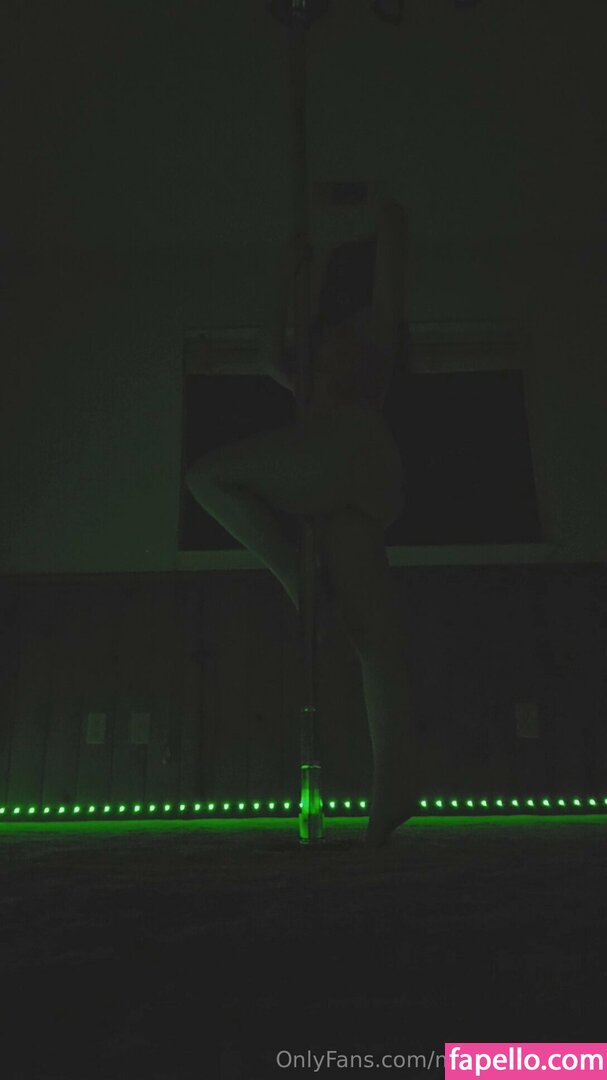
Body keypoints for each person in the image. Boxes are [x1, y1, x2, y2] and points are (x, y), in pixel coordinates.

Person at [184, 198, 416, 847]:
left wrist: (377, 214)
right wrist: (285, 273)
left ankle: (293, 574)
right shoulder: (315, 360)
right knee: (374, 642)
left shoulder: (372, 333)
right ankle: (393, 791)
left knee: (208, 477)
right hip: (350, 480)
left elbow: (392, 259)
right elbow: (266, 351)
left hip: (349, 449)